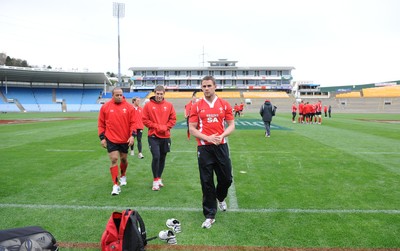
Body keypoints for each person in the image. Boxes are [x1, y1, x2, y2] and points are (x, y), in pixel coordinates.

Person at [189, 76, 235, 229]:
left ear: (215, 86)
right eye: (204, 86)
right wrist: (207, 137)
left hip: (221, 146)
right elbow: (192, 128)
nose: (206, 88)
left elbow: (231, 125)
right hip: (204, 148)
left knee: (226, 178)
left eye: (209, 85)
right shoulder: (196, 106)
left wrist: (221, 135)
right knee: (207, 182)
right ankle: (209, 215)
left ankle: (220, 197)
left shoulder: (224, 104)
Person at [98, 87, 136, 195]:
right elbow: (101, 124)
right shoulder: (105, 107)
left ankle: (123, 175)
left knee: (123, 159)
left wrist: (132, 136)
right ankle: (115, 185)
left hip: (124, 139)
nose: (119, 97)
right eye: (117, 95)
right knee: (114, 159)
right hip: (111, 138)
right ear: (112, 95)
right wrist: (102, 138)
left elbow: (133, 123)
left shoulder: (129, 107)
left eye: (121, 95)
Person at [142, 85, 177, 191]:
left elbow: (173, 119)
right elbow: (145, 120)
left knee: (162, 158)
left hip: (165, 136)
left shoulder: (169, 105)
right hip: (153, 136)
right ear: (154, 93)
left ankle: (159, 177)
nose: (159, 96)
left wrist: (166, 127)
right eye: (157, 93)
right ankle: (155, 180)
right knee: (156, 156)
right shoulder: (148, 105)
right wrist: (157, 127)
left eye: (161, 94)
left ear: (164, 94)